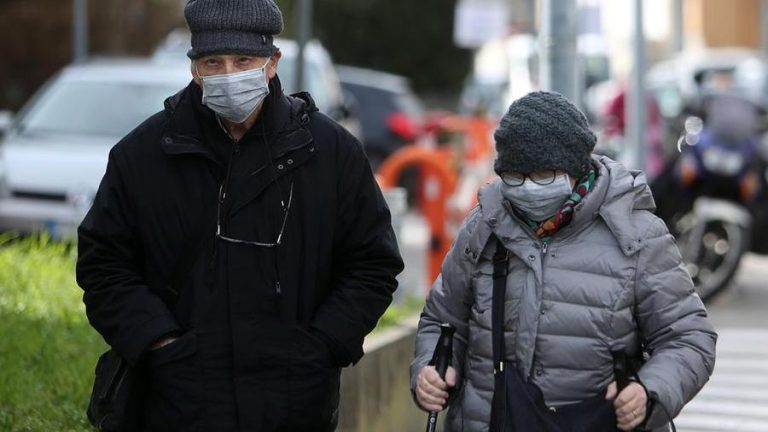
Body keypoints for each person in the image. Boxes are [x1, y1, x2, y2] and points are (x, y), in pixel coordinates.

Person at [76, 0, 404, 430]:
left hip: (295, 405)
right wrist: (160, 342)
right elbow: (104, 265)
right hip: (175, 404)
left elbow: (372, 264)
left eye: (243, 60)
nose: (229, 75)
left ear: (272, 63)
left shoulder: (331, 154)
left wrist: (321, 346)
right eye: (213, 61)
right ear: (194, 68)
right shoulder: (141, 156)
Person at [411, 91, 716, 432]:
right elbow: (442, 319)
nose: (528, 187)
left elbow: (688, 338)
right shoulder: (484, 224)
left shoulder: (637, 234)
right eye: (515, 176)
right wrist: (431, 368)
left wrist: (649, 392)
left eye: (543, 175)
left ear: (576, 169)